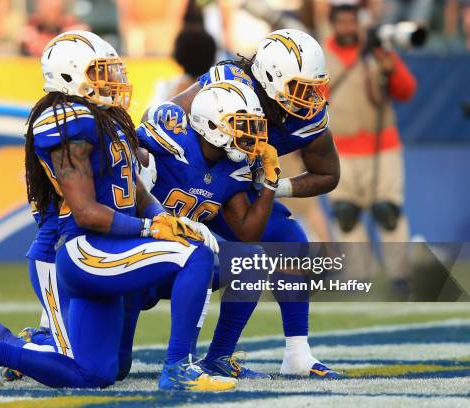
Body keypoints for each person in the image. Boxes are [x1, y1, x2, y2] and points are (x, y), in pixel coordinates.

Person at [0, 30, 234, 392]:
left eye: (111, 71)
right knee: (195, 256)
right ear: (69, 76)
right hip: (85, 248)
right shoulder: (66, 119)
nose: (112, 80)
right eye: (100, 72)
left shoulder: (107, 121)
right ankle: (179, 368)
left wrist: (162, 215)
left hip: (110, 246)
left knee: (99, 373)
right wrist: (149, 230)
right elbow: (85, 212)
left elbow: (133, 189)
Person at [147, 28, 341, 378]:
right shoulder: (228, 82)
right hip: (182, 183)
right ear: (270, 77)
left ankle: (293, 353)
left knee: (288, 240)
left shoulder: (304, 116)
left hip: (232, 187)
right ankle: (58, 330)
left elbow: (328, 174)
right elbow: (164, 119)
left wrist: (273, 185)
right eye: (300, 88)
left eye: (314, 86)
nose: (310, 97)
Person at [116, 79, 280, 380]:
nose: (251, 135)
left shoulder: (234, 169)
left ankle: (217, 358)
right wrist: (139, 161)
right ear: (212, 123)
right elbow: (120, 149)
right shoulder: (171, 134)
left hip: (185, 266)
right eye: (241, 125)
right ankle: (42, 338)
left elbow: (247, 233)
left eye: (254, 126)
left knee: (252, 260)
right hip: (136, 259)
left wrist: (270, 182)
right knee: (113, 368)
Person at [325, 4, 417, 286]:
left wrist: (390, 70)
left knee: (388, 213)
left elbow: (407, 90)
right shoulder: (320, 57)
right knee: (345, 216)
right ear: (333, 24)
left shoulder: (379, 51)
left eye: (353, 22)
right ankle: (357, 276)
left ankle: (399, 275)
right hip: (340, 148)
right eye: (342, 22)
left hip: (382, 145)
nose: (348, 28)